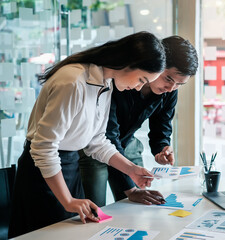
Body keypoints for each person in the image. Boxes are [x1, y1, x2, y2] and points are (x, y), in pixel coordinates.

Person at [8, 31, 166, 238]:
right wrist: (67, 200)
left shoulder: (106, 83)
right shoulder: (72, 81)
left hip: (70, 167)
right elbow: (44, 147)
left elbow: (96, 141)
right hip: (43, 175)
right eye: (141, 79)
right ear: (127, 62)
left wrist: (131, 170)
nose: (138, 88)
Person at [79, 36, 198, 206]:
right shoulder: (121, 81)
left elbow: (162, 126)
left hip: (128, 142)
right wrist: (131, 190)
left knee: (139, 205)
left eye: (180, 84)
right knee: (96, 208)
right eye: (168, 79)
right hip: (95, 144)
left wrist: (161, 148)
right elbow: (108, 133)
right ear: (157, 63)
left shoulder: (170, 91)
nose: (171, 88)